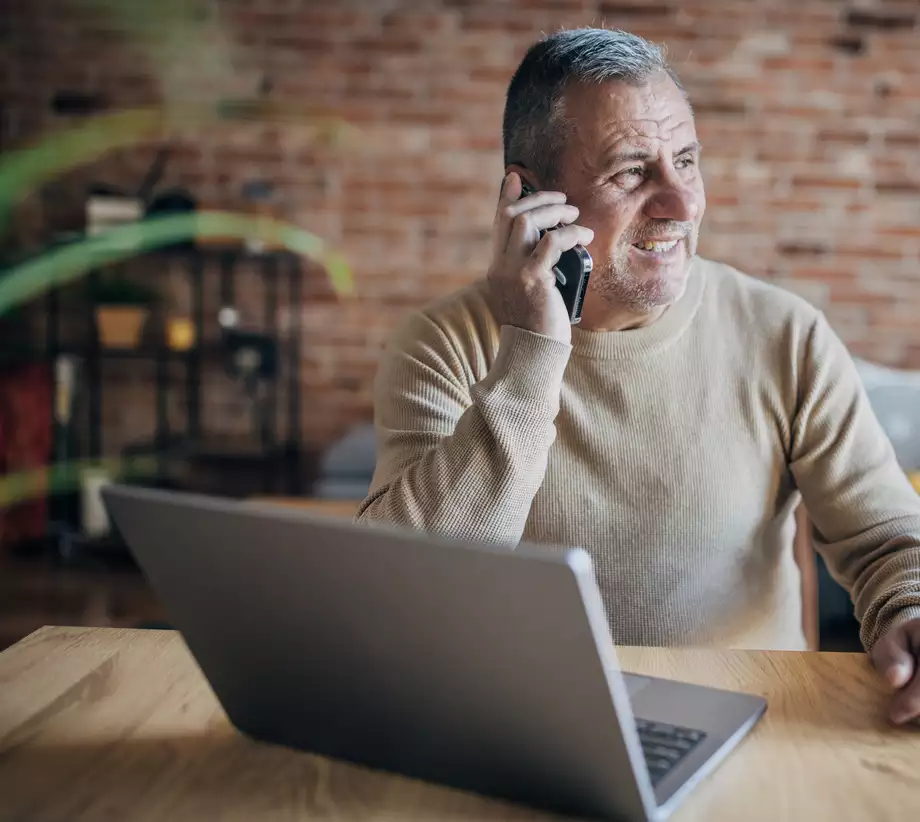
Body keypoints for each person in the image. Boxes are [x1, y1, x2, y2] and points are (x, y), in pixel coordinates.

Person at [355, 27, 920, 725]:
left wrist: (911, 607)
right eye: (630, 172)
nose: (681, 205)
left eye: (685, 161)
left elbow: (889, 539)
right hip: (515, 723)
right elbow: (406, 591)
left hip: (745, 720)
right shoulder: (442, 342)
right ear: (531, 199)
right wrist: (532, 349)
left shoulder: (785, 334)